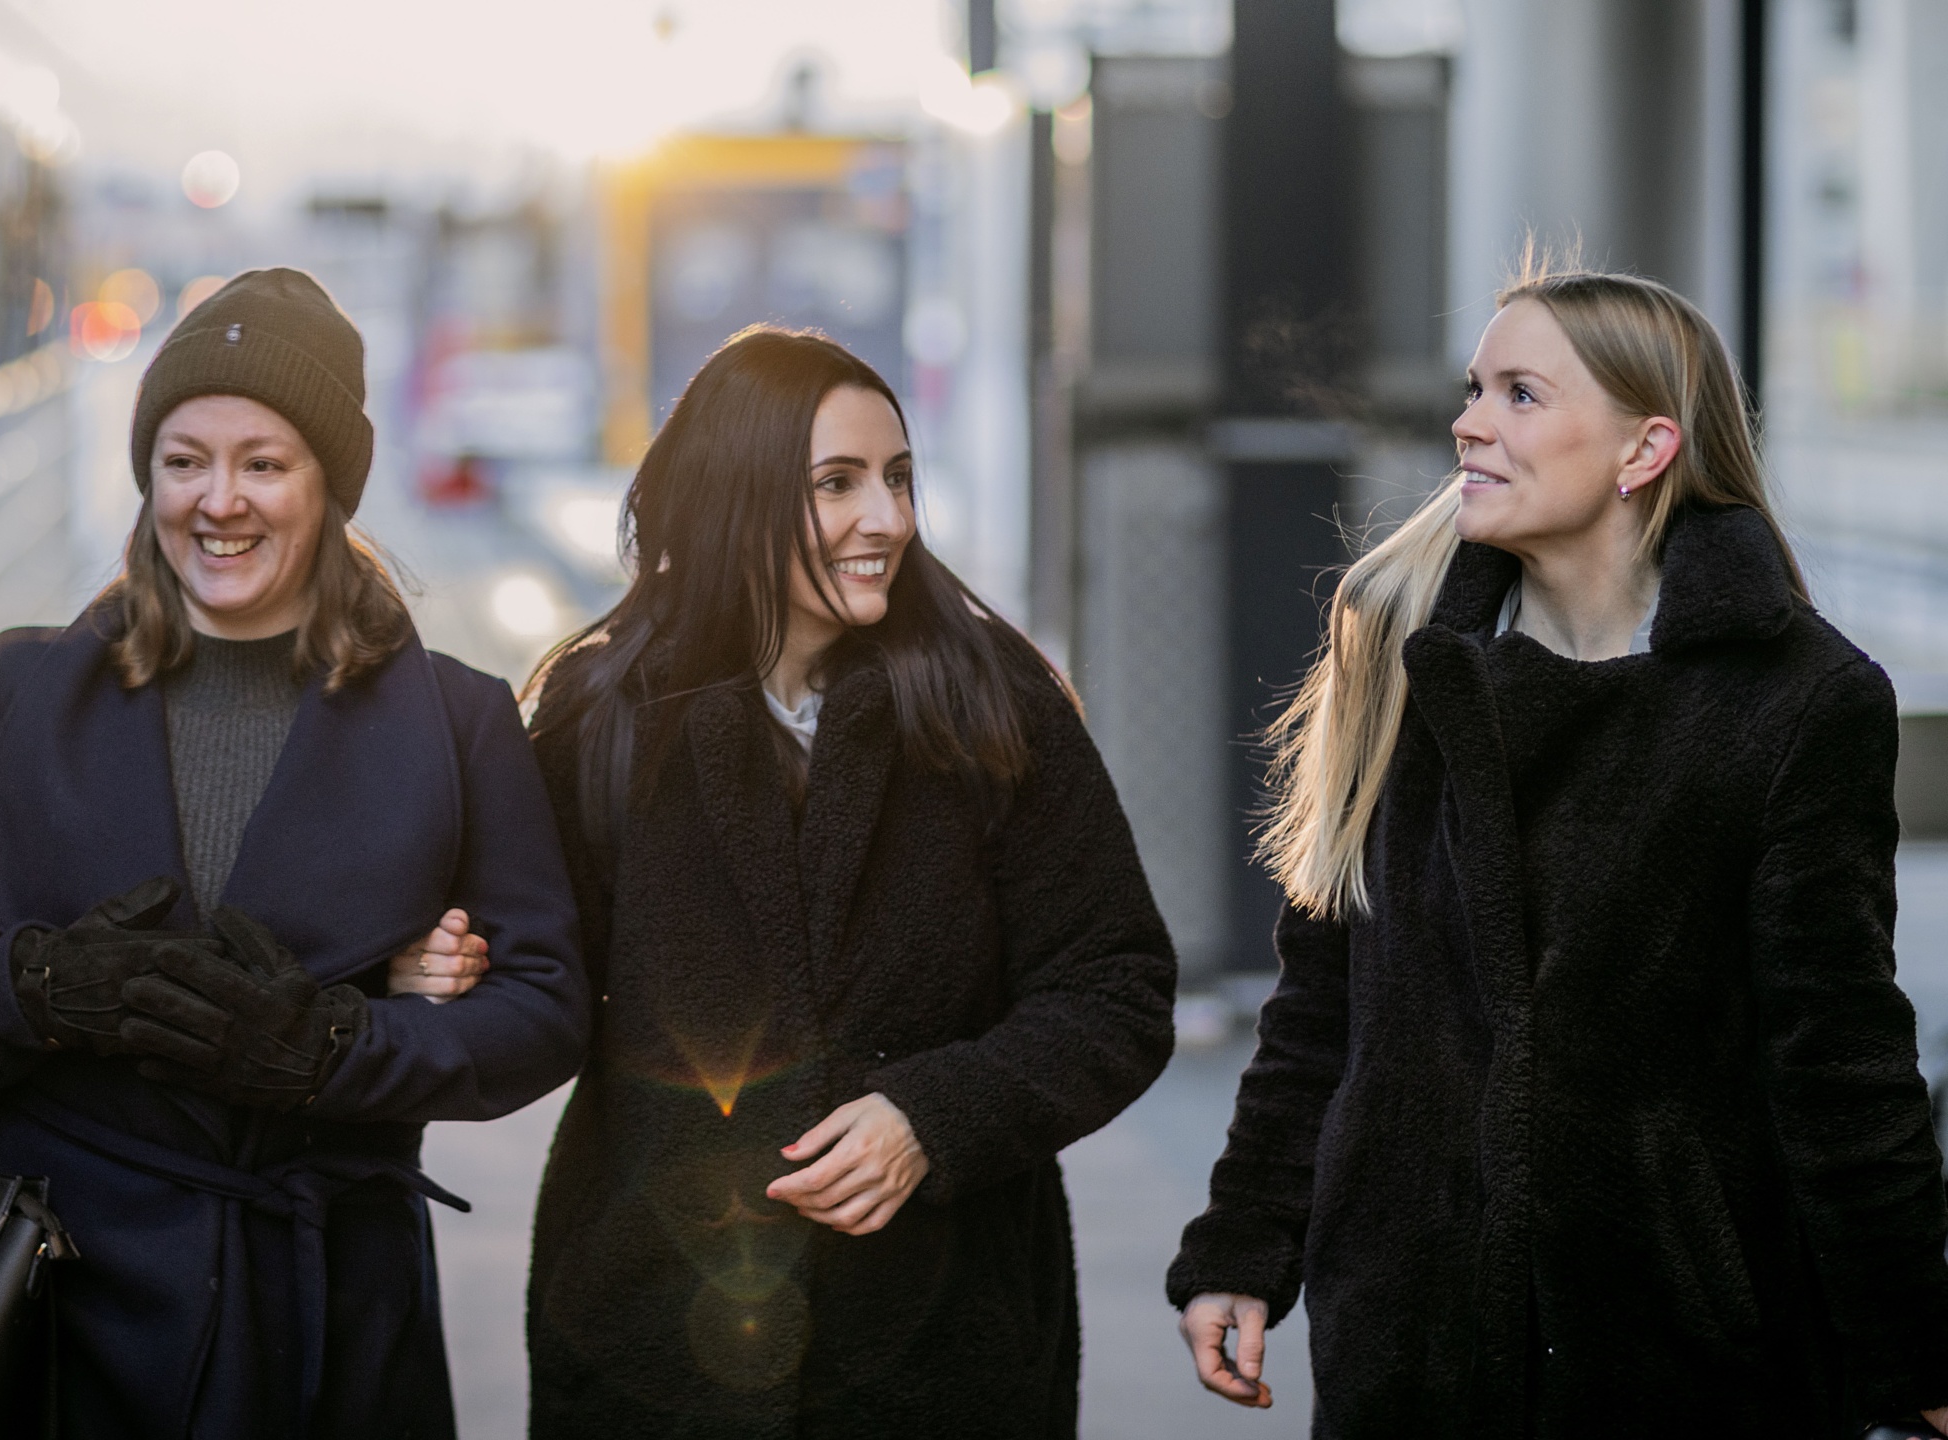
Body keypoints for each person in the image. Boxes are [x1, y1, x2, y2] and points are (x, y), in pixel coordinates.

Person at [1167, 266, 1948, 1437]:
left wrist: (1913, 1352)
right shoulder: (1397, 648)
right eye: (1474, 388)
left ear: (1643, 450)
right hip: (1408, 1339)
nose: (1468, 421)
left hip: (1686, 1356)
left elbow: (1838, 1058)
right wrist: (1245, 1239)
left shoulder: (1798, 702)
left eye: (1520, 395)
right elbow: (1322, 999)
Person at [0, 267, 585, 1438]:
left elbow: (544, 1011)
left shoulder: (456, 722)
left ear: (330, 488)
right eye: (183, 460)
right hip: (51, 1296)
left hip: (324, 1306)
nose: (218, 502)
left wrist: (334, 1049)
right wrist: (45, 986)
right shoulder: (17, 688)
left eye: (264, 463)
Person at [510, 326, 1178, 1434]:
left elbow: (1113, 985)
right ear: (732, 496)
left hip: (944, 1350)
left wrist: (933, 1116)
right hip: (653, 1354)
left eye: (898, 478)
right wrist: (445, 961)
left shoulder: (988, 698)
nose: (890, 519)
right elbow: (535, 994)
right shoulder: (599, 717)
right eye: (837, 484)